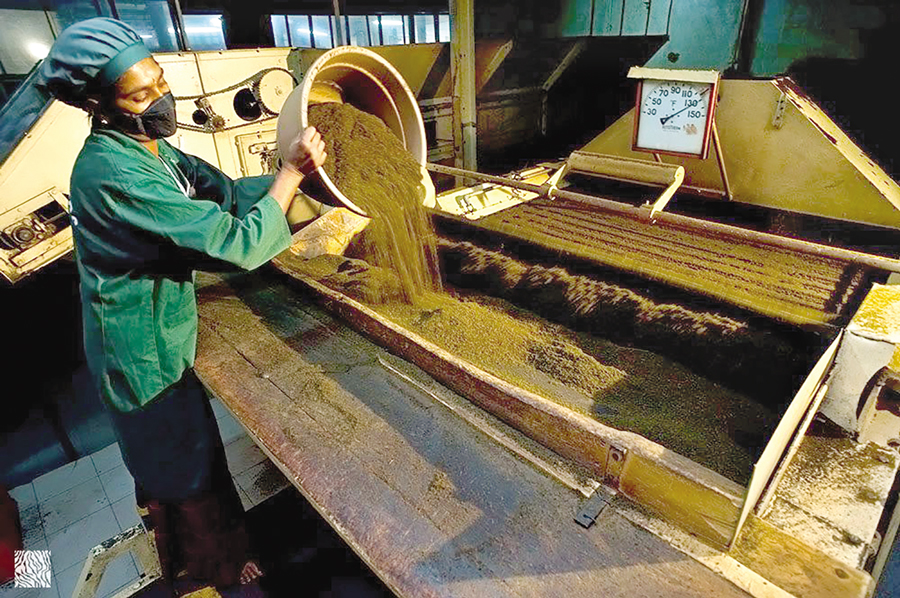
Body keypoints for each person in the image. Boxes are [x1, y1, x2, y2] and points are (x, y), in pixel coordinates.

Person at [37, 17, 326, 590]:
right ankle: (216, 572)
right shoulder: (112, 171)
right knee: (183, 469)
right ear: (98, 102)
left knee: (203, 458)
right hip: (139, 351)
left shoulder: (151, 148)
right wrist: (290, 175)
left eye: (159, 80)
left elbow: (221, 192)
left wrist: (302, 188)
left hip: (161, 324)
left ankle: (228, 552)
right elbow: (236, 242)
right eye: (141, 94)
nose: (160, 98)